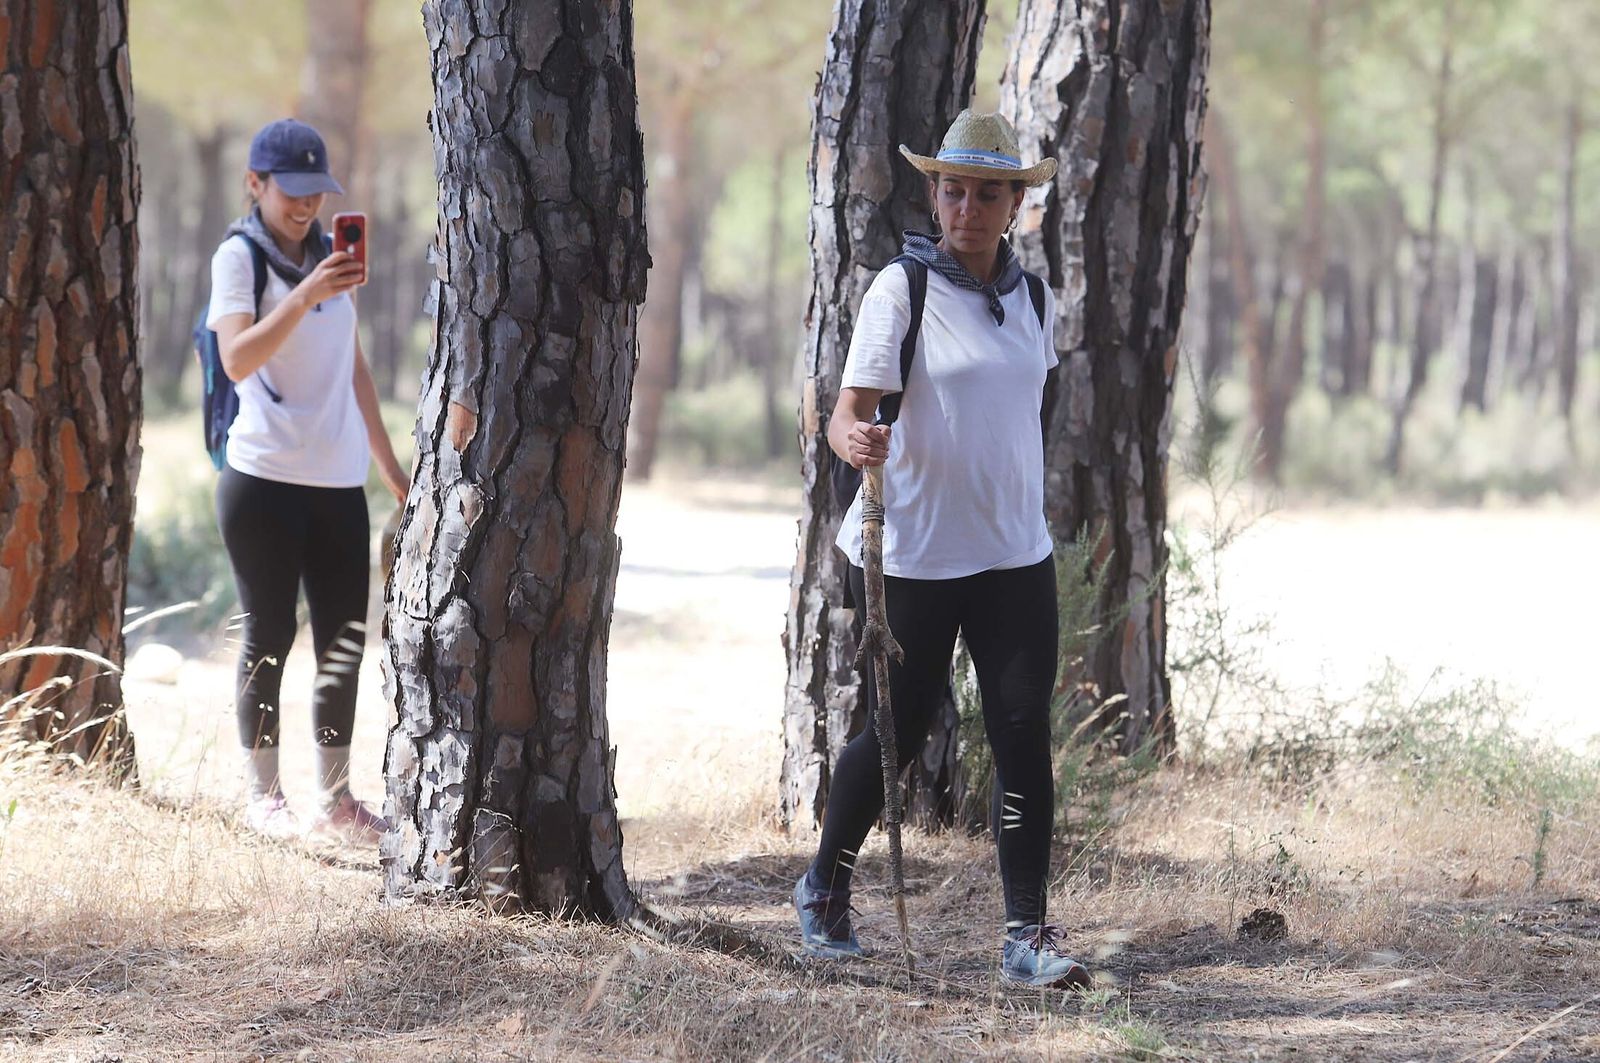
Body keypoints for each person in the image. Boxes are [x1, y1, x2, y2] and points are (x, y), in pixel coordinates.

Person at [793, 111, 1089, 987]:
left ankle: (1025, 937)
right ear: (935, 194)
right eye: (952, 189)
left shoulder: (1035, 301)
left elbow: (1014, 419)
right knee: (898, 730)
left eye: (987, 192)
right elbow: (850, 411)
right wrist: (856, 444)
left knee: (1023, 731)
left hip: (1012, 554)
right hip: (913, 550)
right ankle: (824, 888)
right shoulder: (902, 289)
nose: (967, 206)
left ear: (1015, 203)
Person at [208, 118, 408, 843]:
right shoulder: (239, 259)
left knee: (345, 639)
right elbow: (236, 359)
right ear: (254, 184)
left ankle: (337, 798)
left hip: (337, 482)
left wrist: (390, 470)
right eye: (290, 192)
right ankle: (264, 797)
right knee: (268, 634)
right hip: (262, 477)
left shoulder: (332, 255)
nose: (304, 207)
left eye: (316, 193)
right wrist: (304, 294)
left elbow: (351, 366)